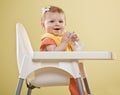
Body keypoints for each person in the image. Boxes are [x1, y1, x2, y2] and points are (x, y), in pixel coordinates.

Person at [40, 6, 89, 95]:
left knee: (80, 67)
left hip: (64, 68)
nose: (57, 24)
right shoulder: (48, 39)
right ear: (43, 26)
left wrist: (73, 43)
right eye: (52, 21)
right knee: (75, 75)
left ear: (65, 24)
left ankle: (85, 92)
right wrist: (64, 42)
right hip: (52, 69)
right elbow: (53, 54)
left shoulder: (62, 38)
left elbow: (77, 52)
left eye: (60, 21)